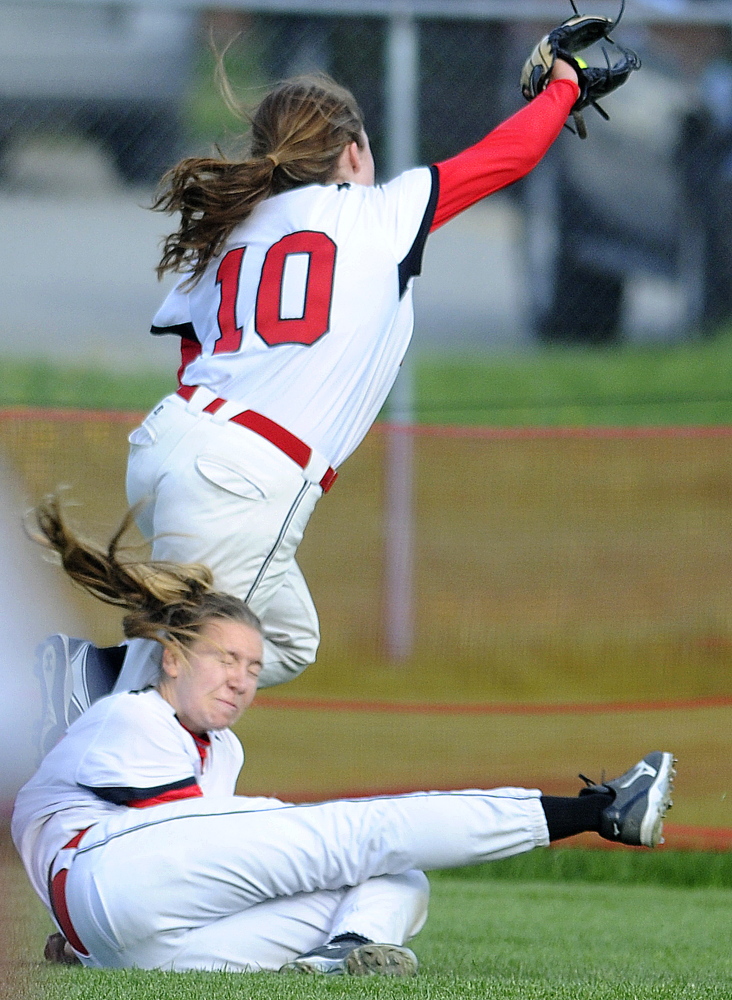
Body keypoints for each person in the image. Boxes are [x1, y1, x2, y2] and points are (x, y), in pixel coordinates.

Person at [36, 54, 586, 739]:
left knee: (284, 641)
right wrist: (564, 85)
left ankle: (96, 682)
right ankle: (89, 726)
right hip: (246, 477)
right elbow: (506, 155)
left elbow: (193, 352)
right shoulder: (379, 214)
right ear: (353, 152)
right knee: (187, 684)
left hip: (173, 442)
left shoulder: (237, 226)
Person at [16, 500, 676, 975]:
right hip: (108, 892)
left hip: (131, 946)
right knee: (355, 835)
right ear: (171, 658)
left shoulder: (217, 749)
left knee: (399, 873)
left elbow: (188, 860)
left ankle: (347, 948)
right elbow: (164, 856)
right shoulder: (126, 718)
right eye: (225, 659)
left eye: (253, 667)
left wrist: (73, 946)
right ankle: (598, 812)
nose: (243, 680)